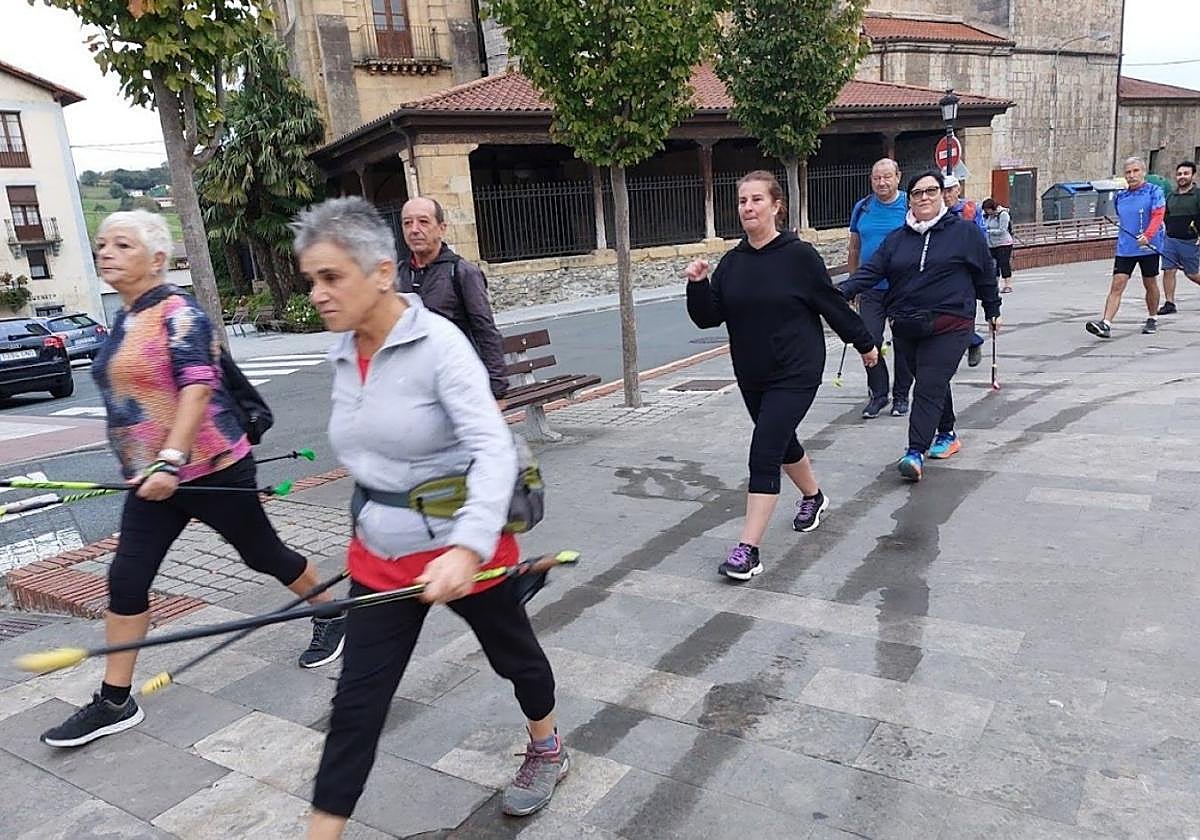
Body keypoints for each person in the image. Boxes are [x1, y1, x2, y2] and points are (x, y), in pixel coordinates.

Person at [293, 198, 565, 838]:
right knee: (356, 707)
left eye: (331, 277)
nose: (317, 294)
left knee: (514, 658)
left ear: (382, 272)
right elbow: (369, 458)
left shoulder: (440, 345)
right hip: (382, 562)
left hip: (461, 548)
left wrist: (468, 550)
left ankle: (547, 744)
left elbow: (493, 448)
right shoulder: (343, 350)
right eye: (311, 280)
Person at [39, 211, 344, 750]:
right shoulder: (125, 320)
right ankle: (115, 700)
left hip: (211, 469)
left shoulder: (181, 314)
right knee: (127, 578)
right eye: (102, 243)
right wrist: (150, 466)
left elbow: (198, 388)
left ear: (157, 259)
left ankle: (329, 611)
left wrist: (170, 459)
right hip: (150, 482)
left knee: (263, 555)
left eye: (122, 244)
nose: (105, 252)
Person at [686, 171, 878, 581]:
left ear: (776, 206)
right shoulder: (733, 263)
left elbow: (831, 304)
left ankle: (748, 550)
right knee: (782, 440)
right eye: (742, 201)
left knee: (764, 449)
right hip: (752, 373)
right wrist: (699, 285)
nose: (748, 208)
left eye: (756, 199)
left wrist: (864, 344)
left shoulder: (799, 256)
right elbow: (708, 317)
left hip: (797, 369)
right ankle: (814, 495)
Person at [839, 170, 1001, 482]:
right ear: (909, 200)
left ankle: (914, 452)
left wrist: (993, 308)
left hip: (952, 322)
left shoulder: (964, 233)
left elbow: (984, 272)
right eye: (917, 193)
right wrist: (836, 293)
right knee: (932, 381)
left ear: (942, 195)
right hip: (907, 325)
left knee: (928, 383)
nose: (924, 198)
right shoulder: (896, 240)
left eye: (930, 191)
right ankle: (948, 432)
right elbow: (870, 273)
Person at [395, 196, 508, 402]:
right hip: (414, 386)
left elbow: (485, 330)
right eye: (407, 223)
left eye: (424, 221)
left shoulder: (462, 272)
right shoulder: (398, 274)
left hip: (456, 381)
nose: (414, 229)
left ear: (441, 228)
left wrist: (496, 388)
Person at [848, 158, 913, 419]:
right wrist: (853, 284)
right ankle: (879, 393)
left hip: (903, 287)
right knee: (869, 340)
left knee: (905, 343)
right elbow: (854, 247)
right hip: (871, 288)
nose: (882, 182)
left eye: (887, 176)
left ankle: (901, 396)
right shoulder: (862, 207)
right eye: (877, 177)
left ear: (898, 177)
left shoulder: (910, 204)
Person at [1086, 157, 1166, 338]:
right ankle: (1105, 323)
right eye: (1128, 172)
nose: (1132, 175)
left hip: (1148, 247)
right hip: (1126, 248)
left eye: (1136, 171)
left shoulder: (1155, 191)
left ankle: (1152, 317)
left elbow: (1158, 214)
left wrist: (1148, 235)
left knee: (1150, 283)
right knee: (1117, 283)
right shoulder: (1121, 196)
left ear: (1143, 172)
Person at [942, 174, 988, 366]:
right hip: (944, 269)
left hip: (967, 269)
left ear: (957, 190)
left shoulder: (970, 209)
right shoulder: (938, 212)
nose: (946, 195)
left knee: (964, 313)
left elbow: (982, 237)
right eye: (943, 191)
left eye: (950, 191)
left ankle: (972, 342)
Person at [1155, 160, 1200, 314]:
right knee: (1168, 270)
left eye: (1186, 174)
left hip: (1190, 241)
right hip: (1171, 240)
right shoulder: (1171, 196)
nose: (1182, 176)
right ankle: (1169, 303)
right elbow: (1165, 215)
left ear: (1193, 175)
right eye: (1179, 174)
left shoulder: (1198, 195)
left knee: (1192, 274)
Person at [982, 198, 1015, 294]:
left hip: (1003, 243)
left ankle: (1008, 285)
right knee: (993, 265)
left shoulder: (1003, 214)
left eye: (988, 209)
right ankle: (995, 285)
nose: (987, 211)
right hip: (991, 244)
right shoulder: (988, 216)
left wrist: (988, 232)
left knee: (1003, 263)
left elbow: (1002, 230)